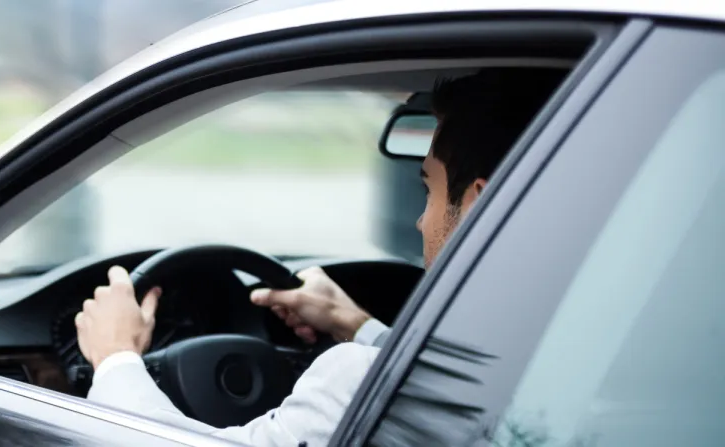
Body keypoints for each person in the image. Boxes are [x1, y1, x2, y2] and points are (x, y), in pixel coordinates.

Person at [73, 68, 568, 446]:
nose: (421, 221)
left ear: (480, 203)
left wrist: (116, 357)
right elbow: (434, 382)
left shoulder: (356, 382)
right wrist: (352, 322)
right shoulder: (572, 354)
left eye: (429, 190)